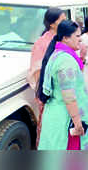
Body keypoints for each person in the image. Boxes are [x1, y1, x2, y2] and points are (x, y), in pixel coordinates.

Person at [37, 20, 88, 150]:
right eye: (77, 36)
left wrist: (83, 56)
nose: (80, 40)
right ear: (65, 38)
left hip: (55, 114)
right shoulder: (66, 61)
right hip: (66, 118)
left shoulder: (59, 54)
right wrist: (77, 123)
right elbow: (69, 97)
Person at [27, 8, 67, 147]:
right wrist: (45, 93)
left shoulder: (64, 38)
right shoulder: (42, 43)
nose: (65, 22)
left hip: (65, 91)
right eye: (62, 20)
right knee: (48, 127)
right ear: (52, 24)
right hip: (50, 92)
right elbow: (37, 71)